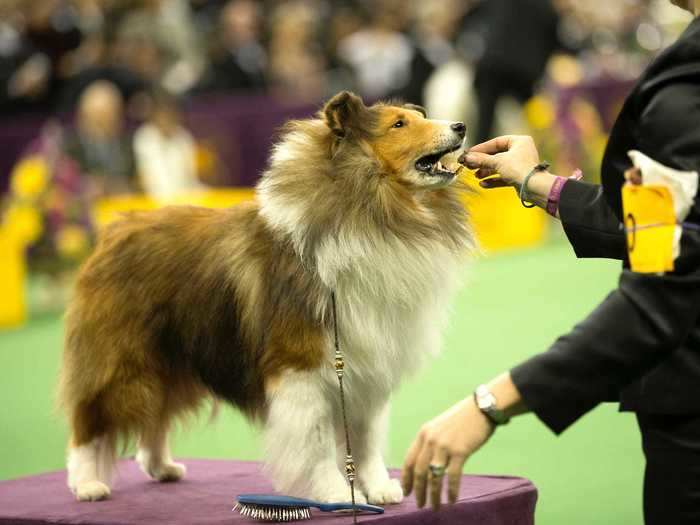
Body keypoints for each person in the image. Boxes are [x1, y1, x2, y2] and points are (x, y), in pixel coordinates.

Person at [401, 2, 700, 524]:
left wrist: (491, 402)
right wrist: (536, 181)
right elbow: (657, 225)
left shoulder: (681, 94)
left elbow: (661, 291)